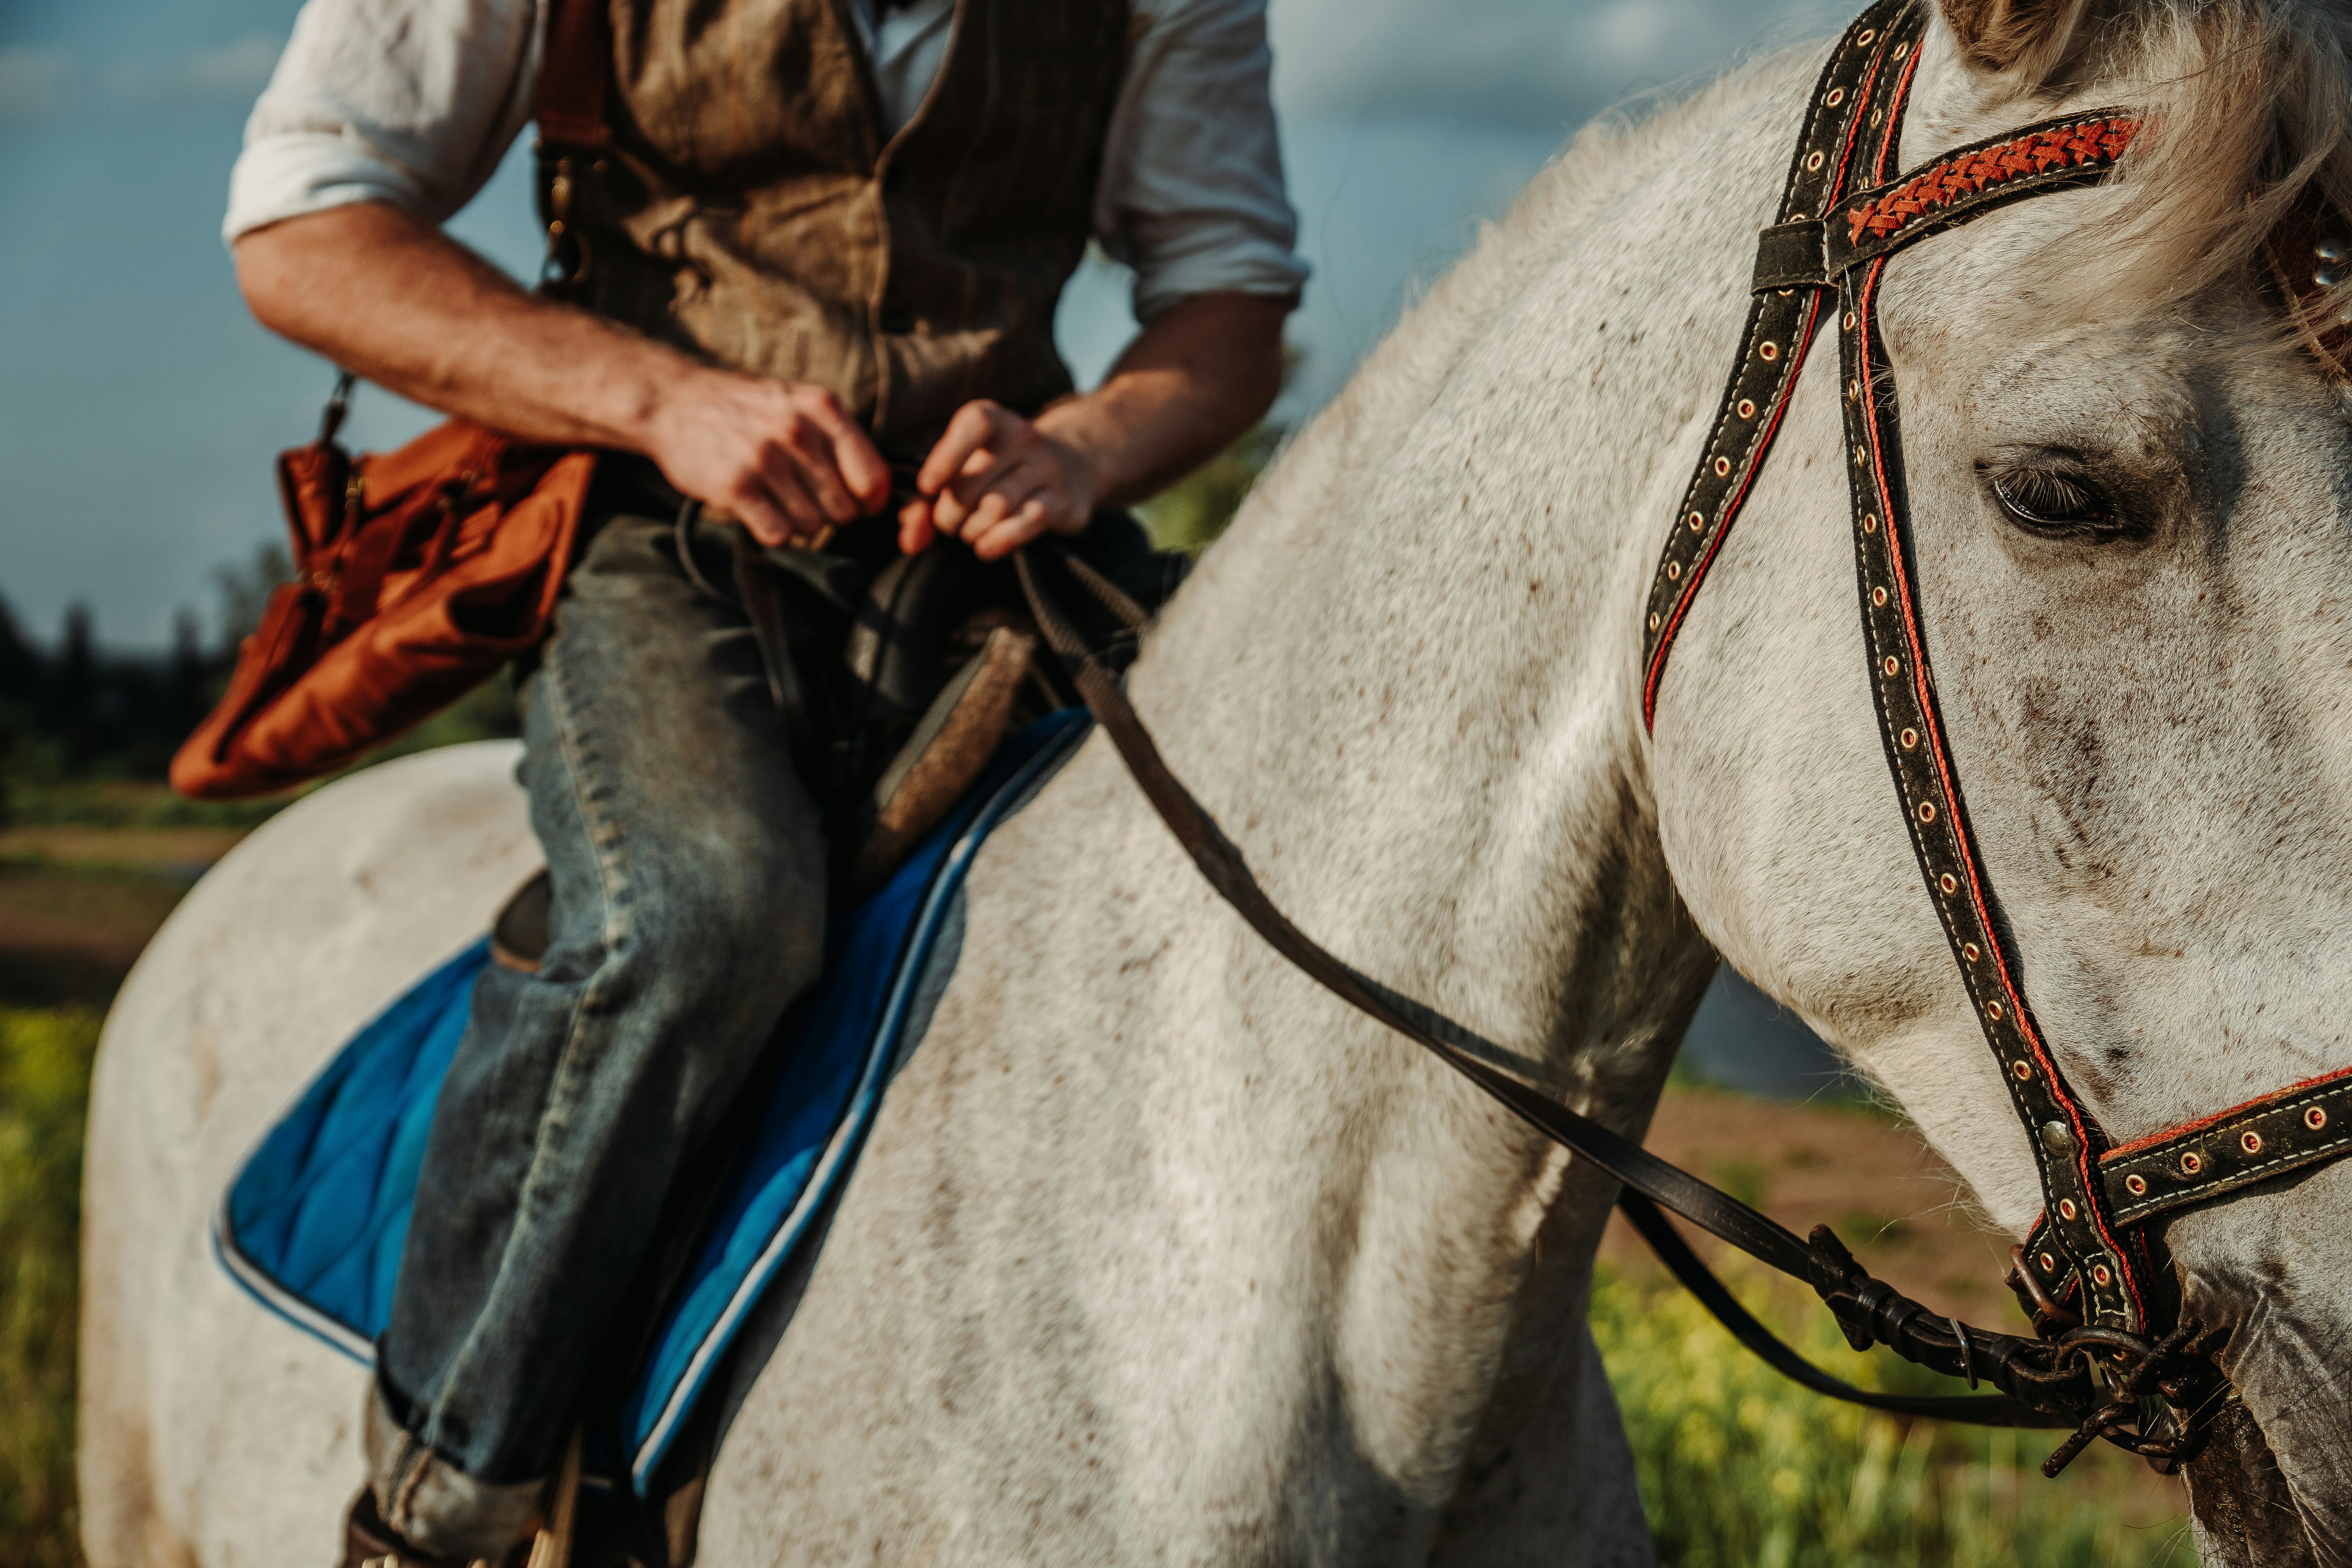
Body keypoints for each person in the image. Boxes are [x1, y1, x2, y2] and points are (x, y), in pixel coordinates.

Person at [223, 0, 1304, 1559]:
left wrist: (1081, 447)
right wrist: (665, 399)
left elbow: (1228, 296)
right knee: (699, 911)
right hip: (660, 535)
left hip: (1007, 547)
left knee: (1291, 865)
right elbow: (301, 230)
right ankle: (437, 1499)